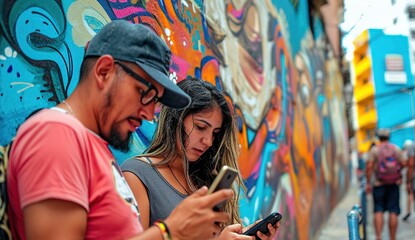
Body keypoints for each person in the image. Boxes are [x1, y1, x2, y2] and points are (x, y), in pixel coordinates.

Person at [7, 20, 236, 240]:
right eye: (144, 93)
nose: (148, 114)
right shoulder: (57, 134)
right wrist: (169, 232)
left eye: (154, 100)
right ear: (104, 70)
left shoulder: (94, 149)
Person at [122, 77, 280, 240]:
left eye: (215, 133)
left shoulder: (206, 181)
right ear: (175, 119)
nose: (208, 141)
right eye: (200, 127)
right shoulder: (137, 175)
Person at [365, 129, 405, 240]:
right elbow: (403, 163)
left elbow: (369, 167)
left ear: (379, 137)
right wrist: (398, 175)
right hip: (394, 183)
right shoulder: (396, 149)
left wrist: (368, 183)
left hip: (379, 184)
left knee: (378, 210)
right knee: (393, 211)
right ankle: (392, 237)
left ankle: (379, 237)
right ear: (389, 137)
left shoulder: (374, 150)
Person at [401, 139, 414, 221]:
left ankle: (409, 211)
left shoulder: (405, 154)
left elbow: (409, 165)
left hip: (410, 176)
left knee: (410, 194)